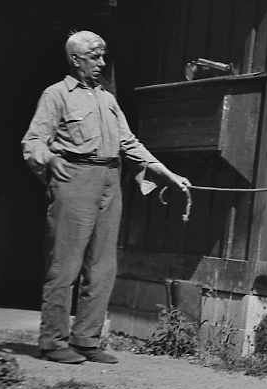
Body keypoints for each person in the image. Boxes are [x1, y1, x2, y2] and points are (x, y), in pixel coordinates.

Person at [21, 30, 190, 364]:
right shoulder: (56, 95)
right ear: (75, 58)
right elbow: (33, 141)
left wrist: (169, 174)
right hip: (74, 178)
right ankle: (53, 342)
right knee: (65, 265)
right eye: (94, 55)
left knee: (102, 266)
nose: (101, 62)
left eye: (103, 55)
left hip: (110, 180)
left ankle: (86, 339)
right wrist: (50, 159)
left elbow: (129, 143)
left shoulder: (108, 99)